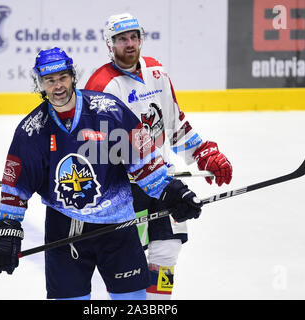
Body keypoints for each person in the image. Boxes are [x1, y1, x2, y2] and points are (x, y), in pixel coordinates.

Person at [0, 46, 203, 300]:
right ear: (40, 83)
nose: (57, 86)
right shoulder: (32, 131)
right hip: (65, 228)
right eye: (49, 80)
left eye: (62, 78)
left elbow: (144, 162)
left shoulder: (108, 110)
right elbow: (16, 187)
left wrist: (172, 191)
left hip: (118, 224)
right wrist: (8, 227)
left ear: (72, 76)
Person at [85, 13, 233, 299]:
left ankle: (157, 304)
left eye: (134, 37)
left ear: (141, 38)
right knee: (129, 263)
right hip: (124, 190)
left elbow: (174, 125)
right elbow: (94, 148)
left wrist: (204, 153)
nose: (129, 44)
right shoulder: (102, 85)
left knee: (167, 251)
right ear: (109, 44)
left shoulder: (157, 73)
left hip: (163, 180)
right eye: (121, 39)